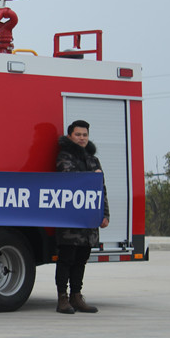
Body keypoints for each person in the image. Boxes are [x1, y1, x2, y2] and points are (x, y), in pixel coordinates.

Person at [54, 120, 110, 314]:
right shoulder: (65, 156)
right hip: (70, 220)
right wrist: (91, 174)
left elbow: (101, 189)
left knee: (81, 260)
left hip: (88, 222)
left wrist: (104, 214)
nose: (82, 138)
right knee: (66, 259)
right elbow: (69, 178)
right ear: (70, 136)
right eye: (78, 135)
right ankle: (62, 298)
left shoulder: (93, 160)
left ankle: (76, 296)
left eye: (85, 135)